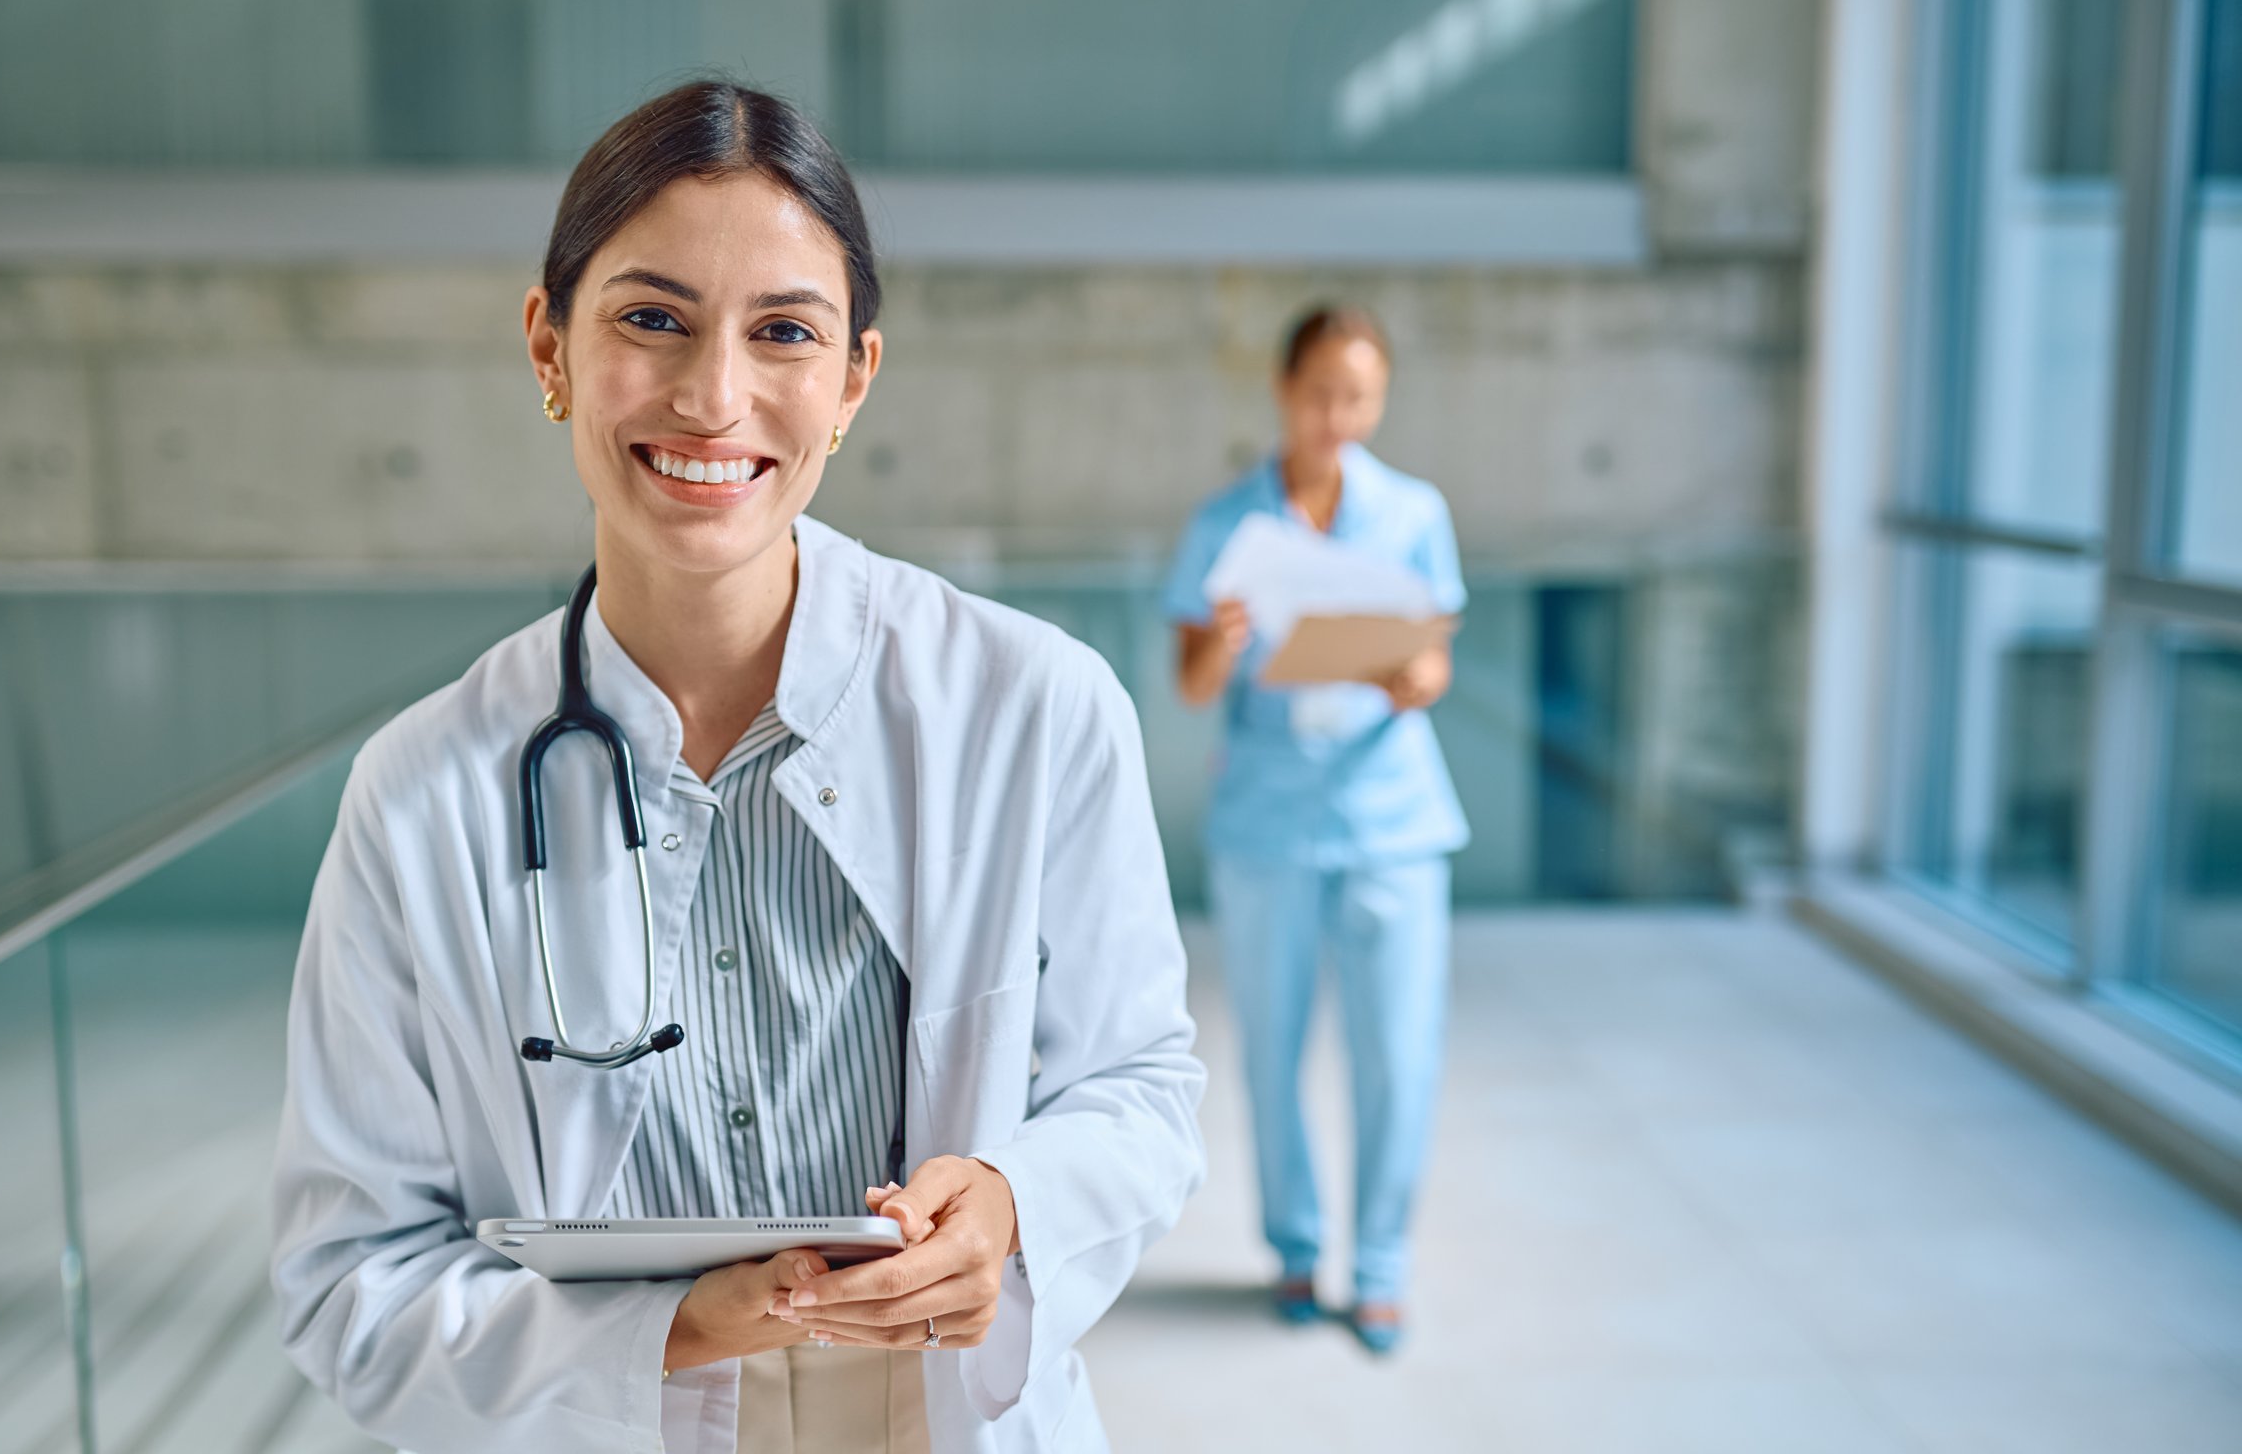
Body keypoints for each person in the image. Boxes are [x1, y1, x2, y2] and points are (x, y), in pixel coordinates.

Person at [269, 80, 1205, 1454]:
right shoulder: (421, 797)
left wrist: (1012, 1203)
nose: (714, 397)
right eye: (652, 319)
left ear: (852, 382)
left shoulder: (1036, 708)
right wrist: (676, 1329)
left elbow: (1137, 1087)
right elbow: (354, 1279)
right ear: (550, 348)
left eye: (784, 334)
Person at [1163, 305, 1465, 1357]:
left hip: (1392, 819)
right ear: (1285, 392)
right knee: (1273, 1051)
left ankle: (1379, 1267)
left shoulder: (1414, 512)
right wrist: (1228, 636)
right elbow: (1194, 683)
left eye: (1360, 396)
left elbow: (1433, 667)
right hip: (1270, 825)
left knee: (1399, 1053)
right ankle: (1295, 1247)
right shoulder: (1226, 525)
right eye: (1322, 393)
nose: (1339, 416)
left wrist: (1405, 669)